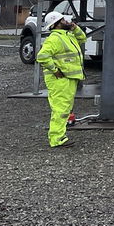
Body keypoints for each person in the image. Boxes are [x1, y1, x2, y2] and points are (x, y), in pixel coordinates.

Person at [36, 10, 86, 148]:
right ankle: (57, 138)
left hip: (68, 78)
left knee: (64, 108)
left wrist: (75, 28)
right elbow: (42, 56)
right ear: (56, 24)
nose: (66, 22)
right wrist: (55, 70)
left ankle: (59, 136)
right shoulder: (55, 38)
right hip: (60, 79)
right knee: (61, 108)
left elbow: (83, 38)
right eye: (63, 20)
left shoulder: (67, 35)